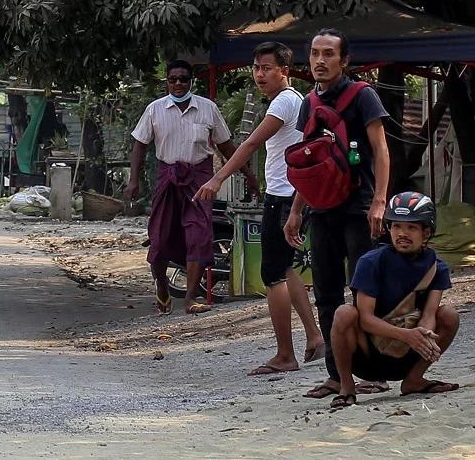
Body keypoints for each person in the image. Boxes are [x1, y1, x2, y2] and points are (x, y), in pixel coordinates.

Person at [194, 42, 325, 374]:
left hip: (284, 198)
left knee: (272, 275)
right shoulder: (294, 100)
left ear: (284, 71)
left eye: (266, 68)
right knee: (285, 268)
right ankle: (314, 337)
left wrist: (218, 179)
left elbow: (251, 143)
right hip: (289, 194)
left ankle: (285, 355)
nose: (259, 74)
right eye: (255, 68)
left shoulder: (284, 102)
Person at [284, 28, 392, 400]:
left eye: (328, 54)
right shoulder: (308, 102)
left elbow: (380, 150)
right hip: (322, 209)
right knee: (327, 295)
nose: (319, 60)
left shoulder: (364, 96)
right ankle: (336, 374)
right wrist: (297, 210)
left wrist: (379, 201)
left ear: (344, 61)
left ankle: (373, 372)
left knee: (365, 292)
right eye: (315, 53)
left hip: (359, 207)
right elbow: (308, 161)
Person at [124, 60, 256, 315]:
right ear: (167, 82)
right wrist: (133, 180)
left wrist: (248, 175)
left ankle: (190, 299)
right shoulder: (155, 110)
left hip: (199, 180)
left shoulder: (208, 109)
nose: (178, 84)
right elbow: (139, 145)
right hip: (168, 177)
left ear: (191, 82)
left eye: (183, 79)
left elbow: (226, 146)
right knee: (160, 239)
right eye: (173, 79)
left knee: (198, 236)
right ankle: (162, 286)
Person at [328, 192, 459, 408]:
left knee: (449, 315)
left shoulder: (437, 267)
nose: (402, 234)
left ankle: (414, 380)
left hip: (408, 355)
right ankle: (347, 387)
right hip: (367, 355)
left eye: (411, 228)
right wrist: (407, 335)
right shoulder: (371, 263)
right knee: (344, 313)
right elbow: (366, 320)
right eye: (397, 227)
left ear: (426, 232)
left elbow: (429, 314)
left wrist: (424, 336)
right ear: (388, 229)